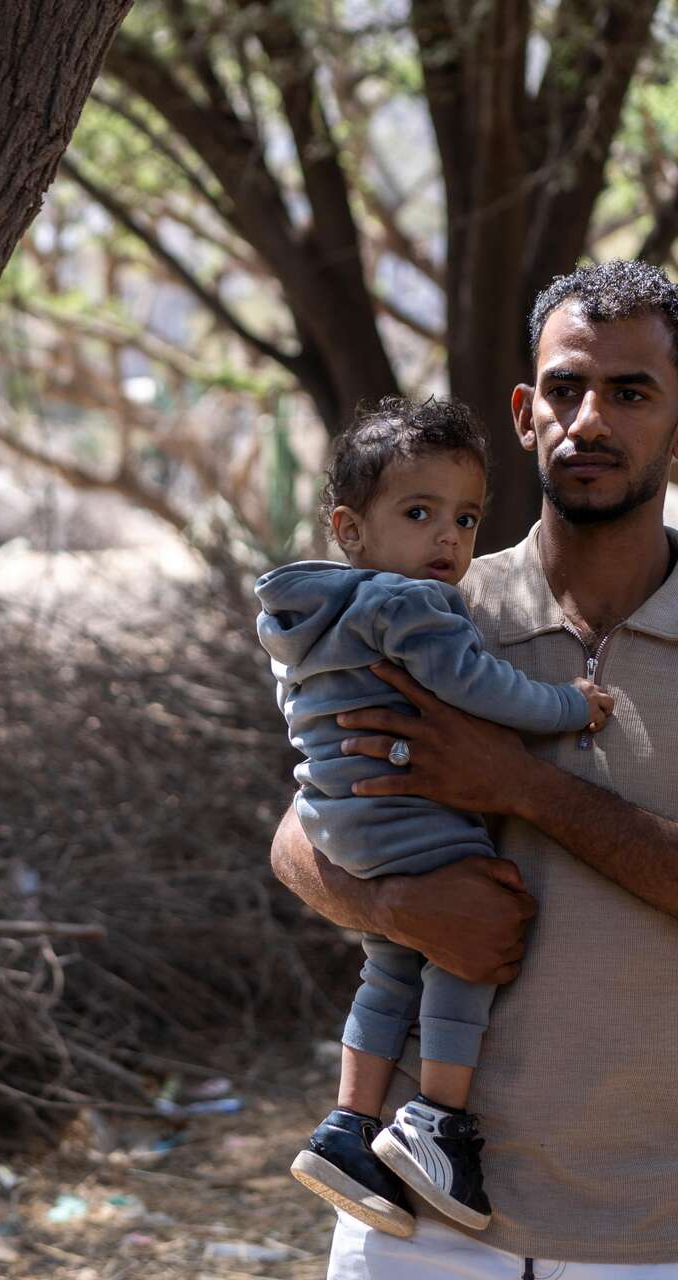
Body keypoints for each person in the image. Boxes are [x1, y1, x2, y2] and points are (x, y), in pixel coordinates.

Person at [270, 258, 678, 1277]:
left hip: (645, 1225)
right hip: (417, 1218)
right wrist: (397, 901)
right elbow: (298, 833)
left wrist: (516, 783)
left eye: (630, 392)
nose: (589, 418)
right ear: (523, 411)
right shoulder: (423, 605)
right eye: (564, 387)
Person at [254, 397, 612, 1238]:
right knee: (472, 938)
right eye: (419, 514)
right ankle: (436, 1121)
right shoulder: (409, 606)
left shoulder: (307, 618)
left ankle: (349, 1126)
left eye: (465, 517)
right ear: (350, 527)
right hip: (410, 816)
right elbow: (481, 690)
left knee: (391, 967)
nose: (449, 540)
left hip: (343, 820)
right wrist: (570, 705)